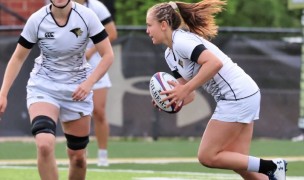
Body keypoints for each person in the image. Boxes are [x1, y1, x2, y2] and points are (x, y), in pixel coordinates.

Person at [146, 1, 287, 180]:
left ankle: (272, 166)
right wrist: (171, 99)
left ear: (164, 25)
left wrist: (185, 89)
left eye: (149, 25)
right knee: (241, 164)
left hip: (237, 95)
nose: (147, 30)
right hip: (242, 94)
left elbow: (214, 63)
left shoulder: (181, 41)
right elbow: (188, 94)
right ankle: (272, 173)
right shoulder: (169, 54)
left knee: (207, 156)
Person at [0, 0, 114, 179]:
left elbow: (108, 55)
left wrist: (88, 83)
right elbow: (17, 58)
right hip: (44, 86)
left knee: (78, 158)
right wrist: (3, 93)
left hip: (77, 89)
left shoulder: (87, 16)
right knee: (44, 145)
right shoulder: (37, 19)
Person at [73, 0, 117, 167]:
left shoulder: (96, 7)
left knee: (98, 111)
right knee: (76, 114)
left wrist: (91, 51)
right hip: (71, 69)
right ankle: (79, 153)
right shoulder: (62, 6)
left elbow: (112, 33)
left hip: (96, 67)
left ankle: (102, 155)